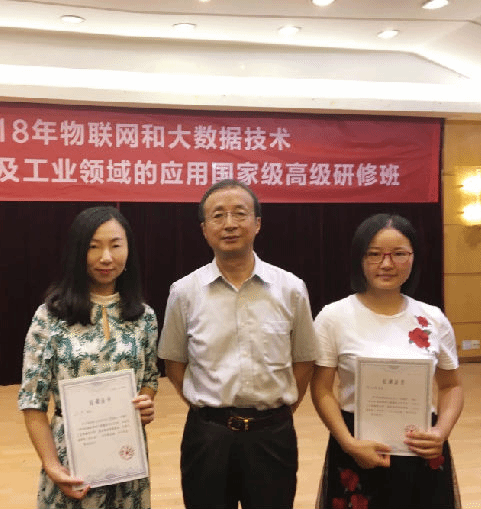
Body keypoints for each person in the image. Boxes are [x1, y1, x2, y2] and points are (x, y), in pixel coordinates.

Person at [158, 179, 319, 509]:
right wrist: (205, 408)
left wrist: (279, 412)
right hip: (208, 437)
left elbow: (304, 360)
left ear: (257, 223)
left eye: (239, 214)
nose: (229, 224)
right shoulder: (184, 292)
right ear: (204, 229)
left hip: (272, 436)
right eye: (218, 215)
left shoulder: (290, 288)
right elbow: (174, 362)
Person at [311, 213, 463, 509]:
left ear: (413, 258)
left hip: (421, 444)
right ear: (359, 259)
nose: (386, 264)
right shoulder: (334, 317)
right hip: (357, 445)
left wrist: (441, 432)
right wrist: (348, 442)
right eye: (374, 254)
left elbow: (451, 386)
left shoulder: (432, 318)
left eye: (399, 254)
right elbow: (322, 389)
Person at [18, 206, 159, 509]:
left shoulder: (144, 317)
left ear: (128, 251)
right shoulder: (50, 316)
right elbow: (32, 400)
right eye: (93, 247)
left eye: (115, 245)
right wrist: (52, 465)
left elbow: (149, 379)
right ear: (77, 252)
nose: (106, 257)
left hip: (126, 457)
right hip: (71, 458)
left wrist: (145, 404)